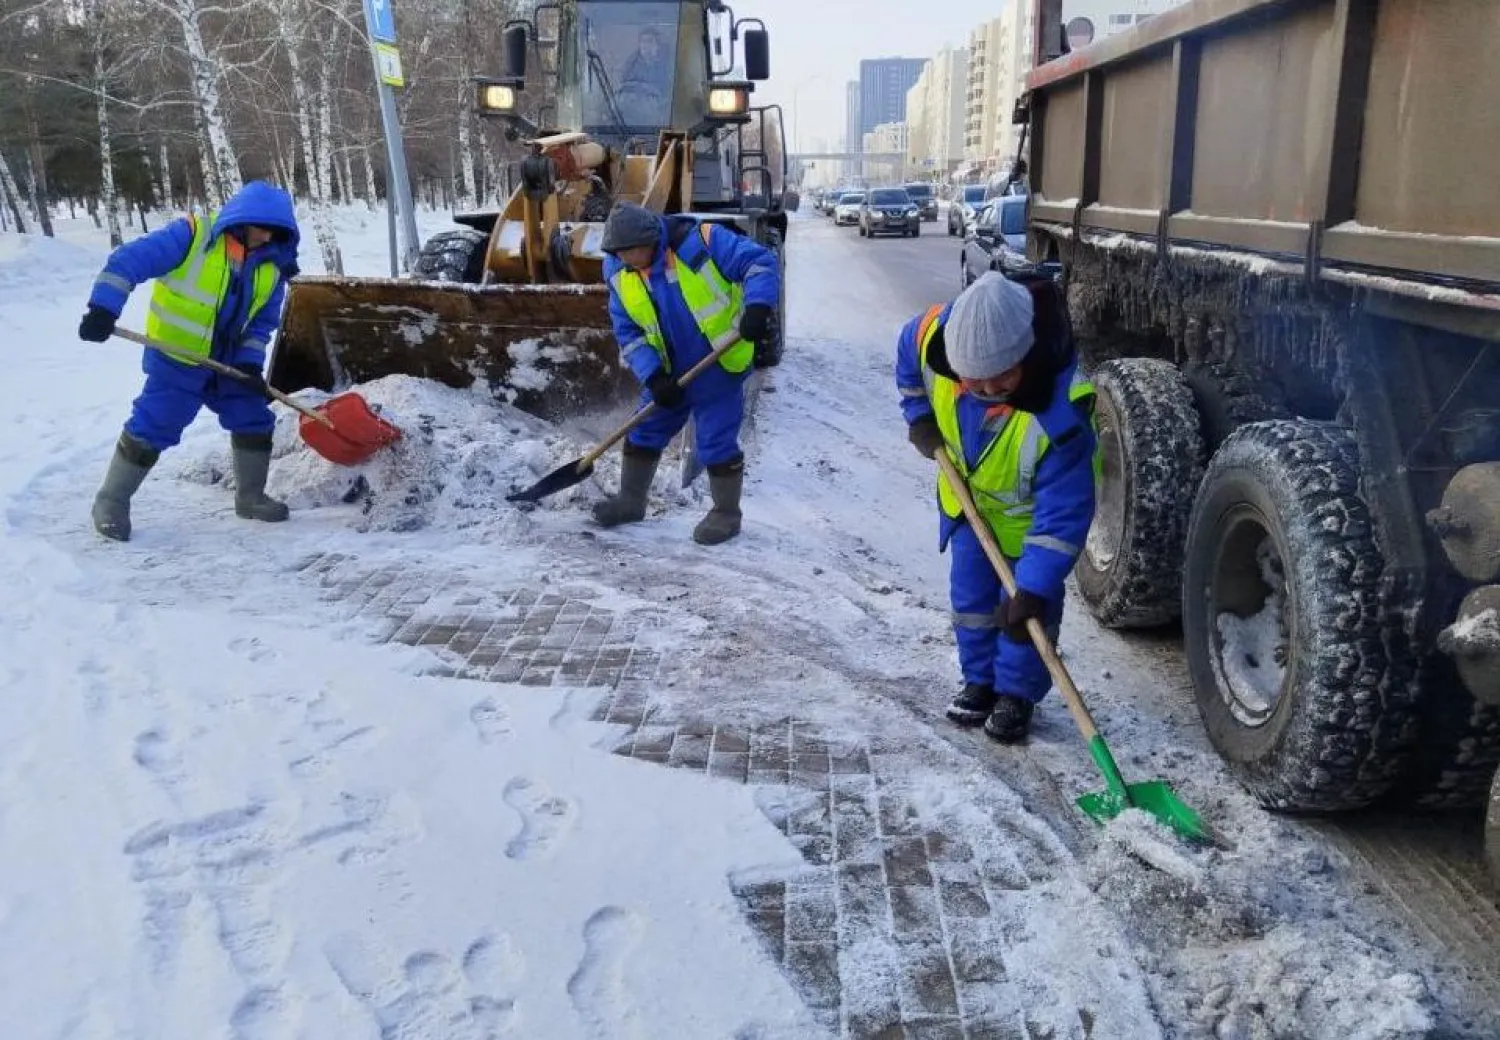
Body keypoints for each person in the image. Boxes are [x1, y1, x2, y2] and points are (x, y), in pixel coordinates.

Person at [896, 271, 1097, 743]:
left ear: (1025, 355)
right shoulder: (933, 338)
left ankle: (1017, 694)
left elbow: (1063, 513)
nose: (985, 388)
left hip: (1031, 530)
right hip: (969, 510)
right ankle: (980, 682)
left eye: (1000, 376)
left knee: (1024, 616)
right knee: (971, 602)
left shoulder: (1062, 416)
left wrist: (1036, 583)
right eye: (973, 379)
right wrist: (918, 415)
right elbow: (907, 358)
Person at [77, 180, 302, 542]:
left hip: (228, 363)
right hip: (177, 357)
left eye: (276, 233)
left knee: (254, 417)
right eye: (262, 229)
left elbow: (261, 324)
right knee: (155, 423)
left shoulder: (273, 266)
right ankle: (111, 502)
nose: (266, 238)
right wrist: (103, 306)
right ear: (242, 221)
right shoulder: (192, 237)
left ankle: (250, 497)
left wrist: (248, 362)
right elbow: (128, 261)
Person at [595, 201, 780, 545]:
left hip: (717, 364)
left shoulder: (701, 242)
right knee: (643, 430)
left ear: (650, 241)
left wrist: (757, 306)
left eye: (629, 253)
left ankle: (726, 514)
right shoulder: (619, 273)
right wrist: (652, 376)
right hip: (668, 372)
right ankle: (630, 501)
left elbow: (759, 262)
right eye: (617, 254)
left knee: (715, 441)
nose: (624, 261)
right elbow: (629, 334)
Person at [619, 27, 671, 94]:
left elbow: (667, 90)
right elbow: (625, 86)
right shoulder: (631, 64)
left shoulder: (668, 64)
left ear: (657, 46)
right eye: (642, 41)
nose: (644, 45)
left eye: (649, 41)